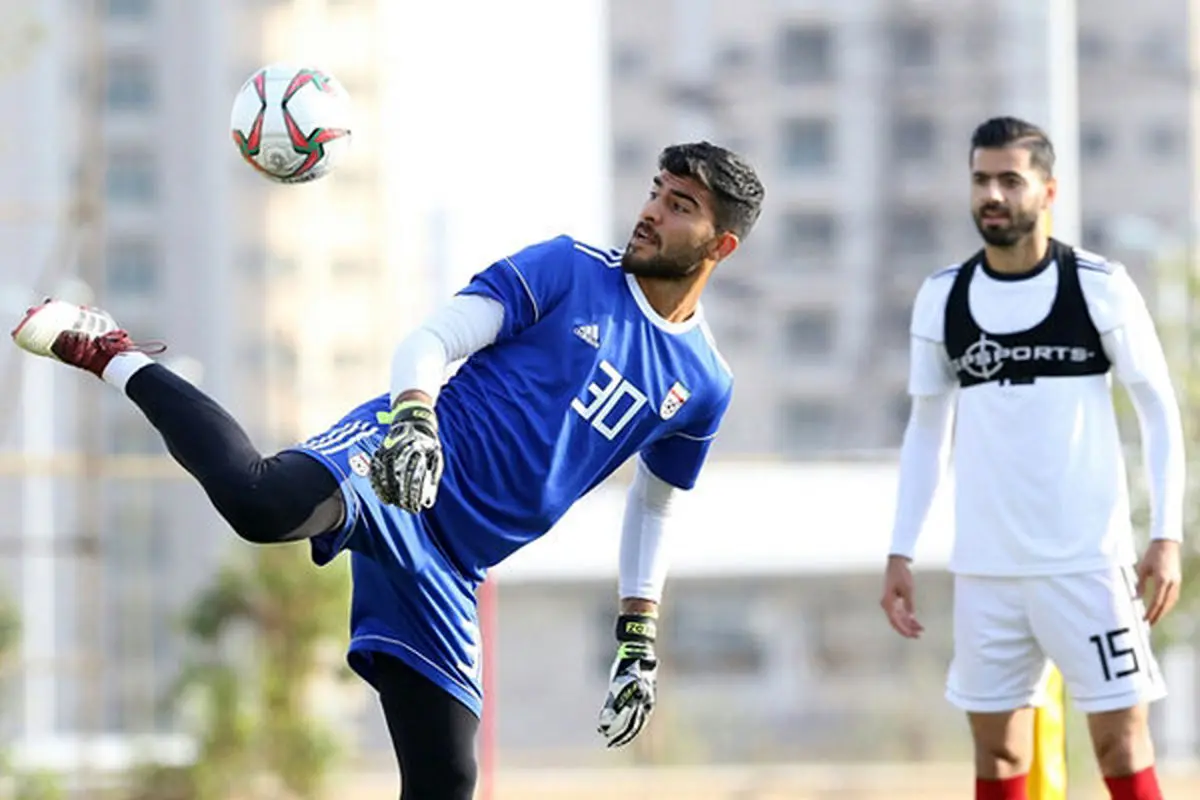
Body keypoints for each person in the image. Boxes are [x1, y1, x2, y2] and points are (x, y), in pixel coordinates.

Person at [11, 141, 764, 800]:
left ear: (719, 245)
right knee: (263, 505)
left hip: (452, 562)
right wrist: (413, 417)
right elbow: (434, 338)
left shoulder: (704, 382)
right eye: (656, 193)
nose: (652, 212)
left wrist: (639, 633)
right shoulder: (570, 269)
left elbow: (657, 506)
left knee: (446, 782)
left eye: (680, 206)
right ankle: (110, 351)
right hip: (398, 460)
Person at [880, 116, 1185, 800]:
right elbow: (928, 431)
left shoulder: (1100, 287)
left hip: (1087, 566)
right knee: (999, 758)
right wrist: (901, 549)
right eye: (981, 179)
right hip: (987, 572)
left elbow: (1160, 410)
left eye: (1010, 180)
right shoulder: (943, 297)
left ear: (1048, 192)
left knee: (1121, 742)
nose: (993, 194)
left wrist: (1165, 537)